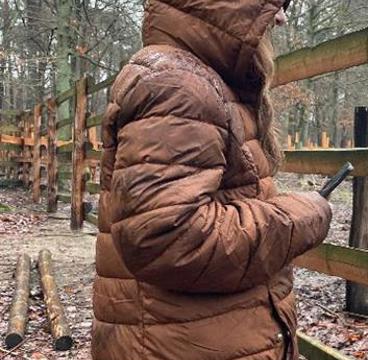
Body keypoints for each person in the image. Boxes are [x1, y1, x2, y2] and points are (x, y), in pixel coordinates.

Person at [91, 0, 333, 359]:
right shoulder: (178, 85)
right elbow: (167, 238)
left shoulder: (201, 81)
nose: (280, 18)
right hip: (181, 343)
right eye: (273, 4)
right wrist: (302, 217)